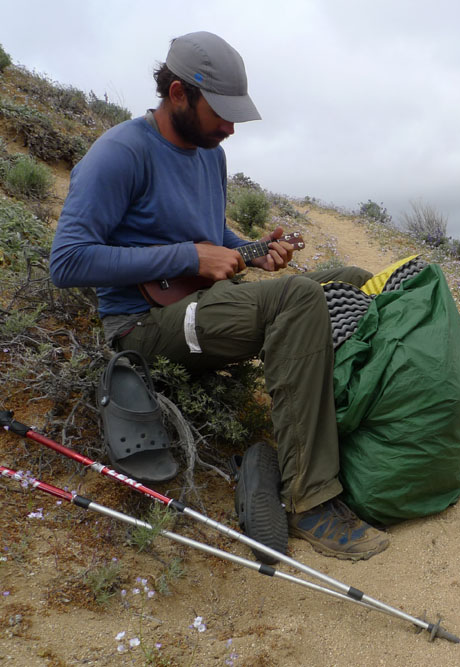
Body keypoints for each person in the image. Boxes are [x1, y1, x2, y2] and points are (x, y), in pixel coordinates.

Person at [50, 31, 389, 561]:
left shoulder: (209, 153)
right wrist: (189, 257)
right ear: (179, 93)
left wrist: (251, 251)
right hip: (142, 328)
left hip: (204, 306)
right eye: (222, 113)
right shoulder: (120, 153)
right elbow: (67, 261)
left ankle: (346, 428)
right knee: (299, 299)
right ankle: (310, 500)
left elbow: (210, 233)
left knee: (350, 277)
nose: (230, 128)